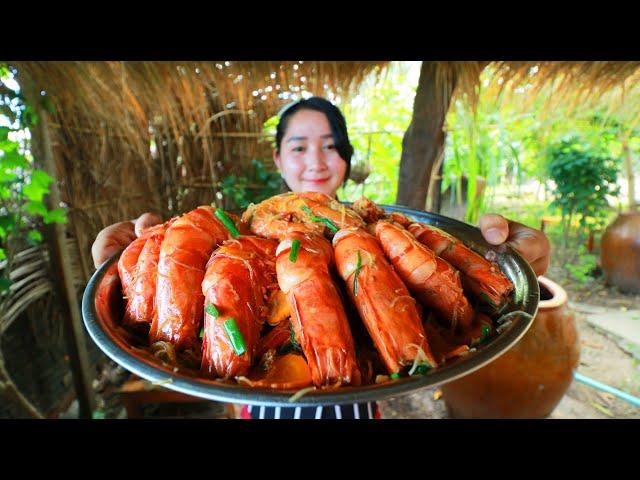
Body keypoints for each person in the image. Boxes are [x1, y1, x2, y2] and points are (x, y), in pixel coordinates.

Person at [91, 96, 550, 419]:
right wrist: (131, 264)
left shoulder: (376, 225)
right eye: (299, 146)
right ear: (277, 158)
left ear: (346, 158)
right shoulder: (236, 236)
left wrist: (506, 259)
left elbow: (498, 291)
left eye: (331, 145)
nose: (316, 160)